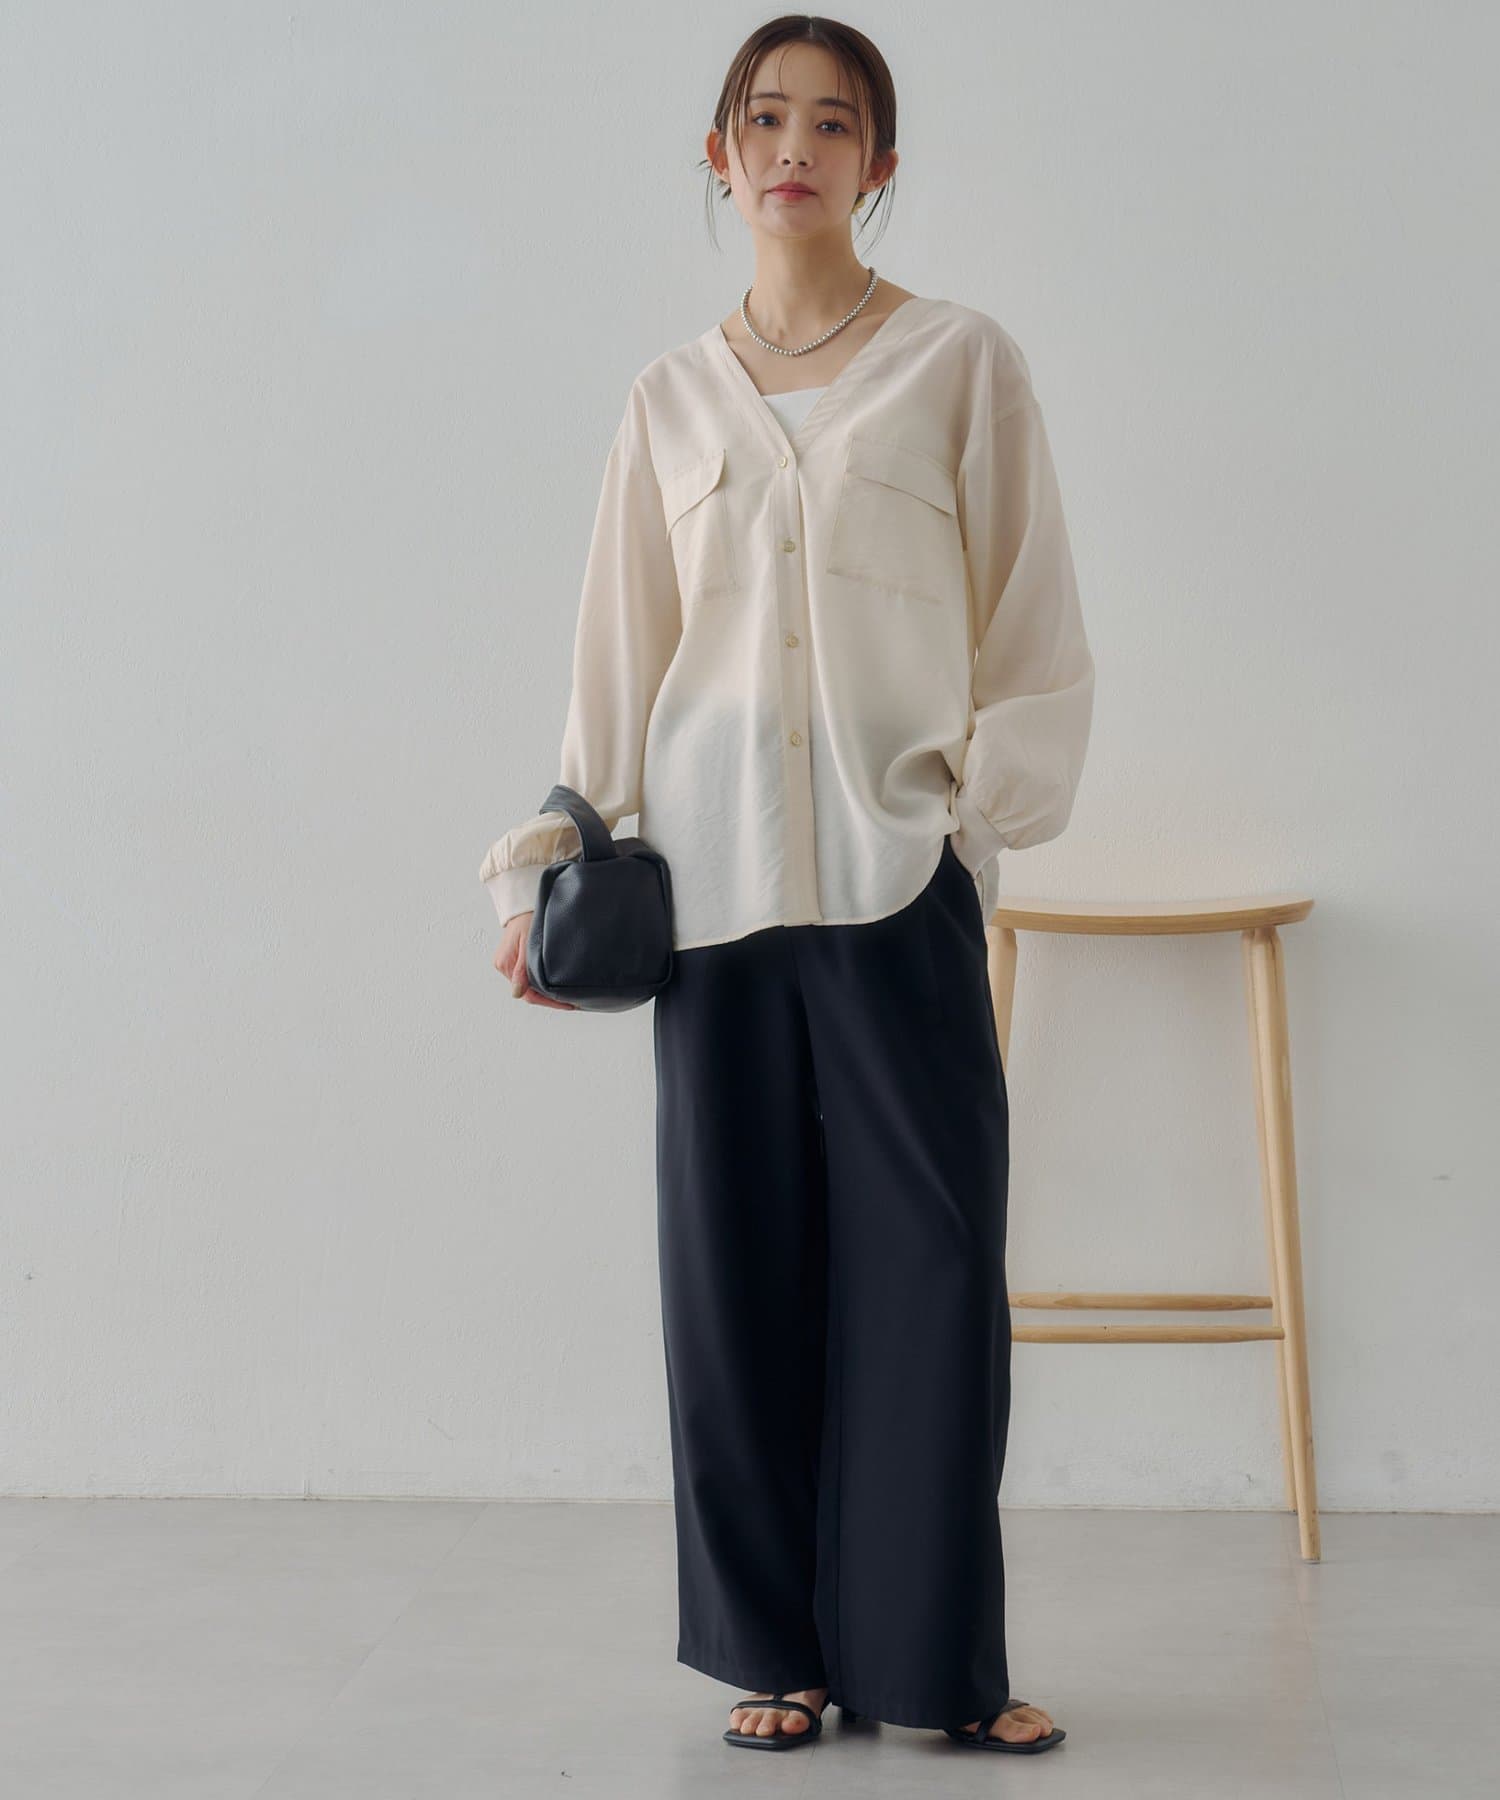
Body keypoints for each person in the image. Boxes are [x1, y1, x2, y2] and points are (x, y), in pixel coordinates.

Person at [480, 16, 1092, 1758]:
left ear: (878, 165)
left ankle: (934, 1666)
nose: (795, 147)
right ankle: (776, 1654)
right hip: (713, 890)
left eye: (834, 123)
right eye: (765, 118)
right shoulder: (668, 401)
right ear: (721, 155)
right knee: (732, 1271)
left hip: (901, 873)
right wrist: (551, 863)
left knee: (935, 1269)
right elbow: (622, 653)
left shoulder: (962, 362)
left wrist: (974, 814)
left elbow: (1032, 621)